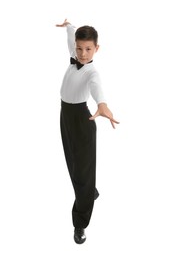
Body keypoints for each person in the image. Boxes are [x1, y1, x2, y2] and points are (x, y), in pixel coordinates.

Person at [56, 19, 119, 244]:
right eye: (79, 48)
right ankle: (89, 192)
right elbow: (71, 35)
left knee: (82, 172)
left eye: (88, 49)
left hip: (83, 120)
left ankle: (80, 223)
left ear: (97, 49)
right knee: (73, 163)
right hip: (65, 117)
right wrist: (69, 25)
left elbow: (97, 88)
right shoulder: (74, 53)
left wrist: (102, 104)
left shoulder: (92, 72)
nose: (83, 54)